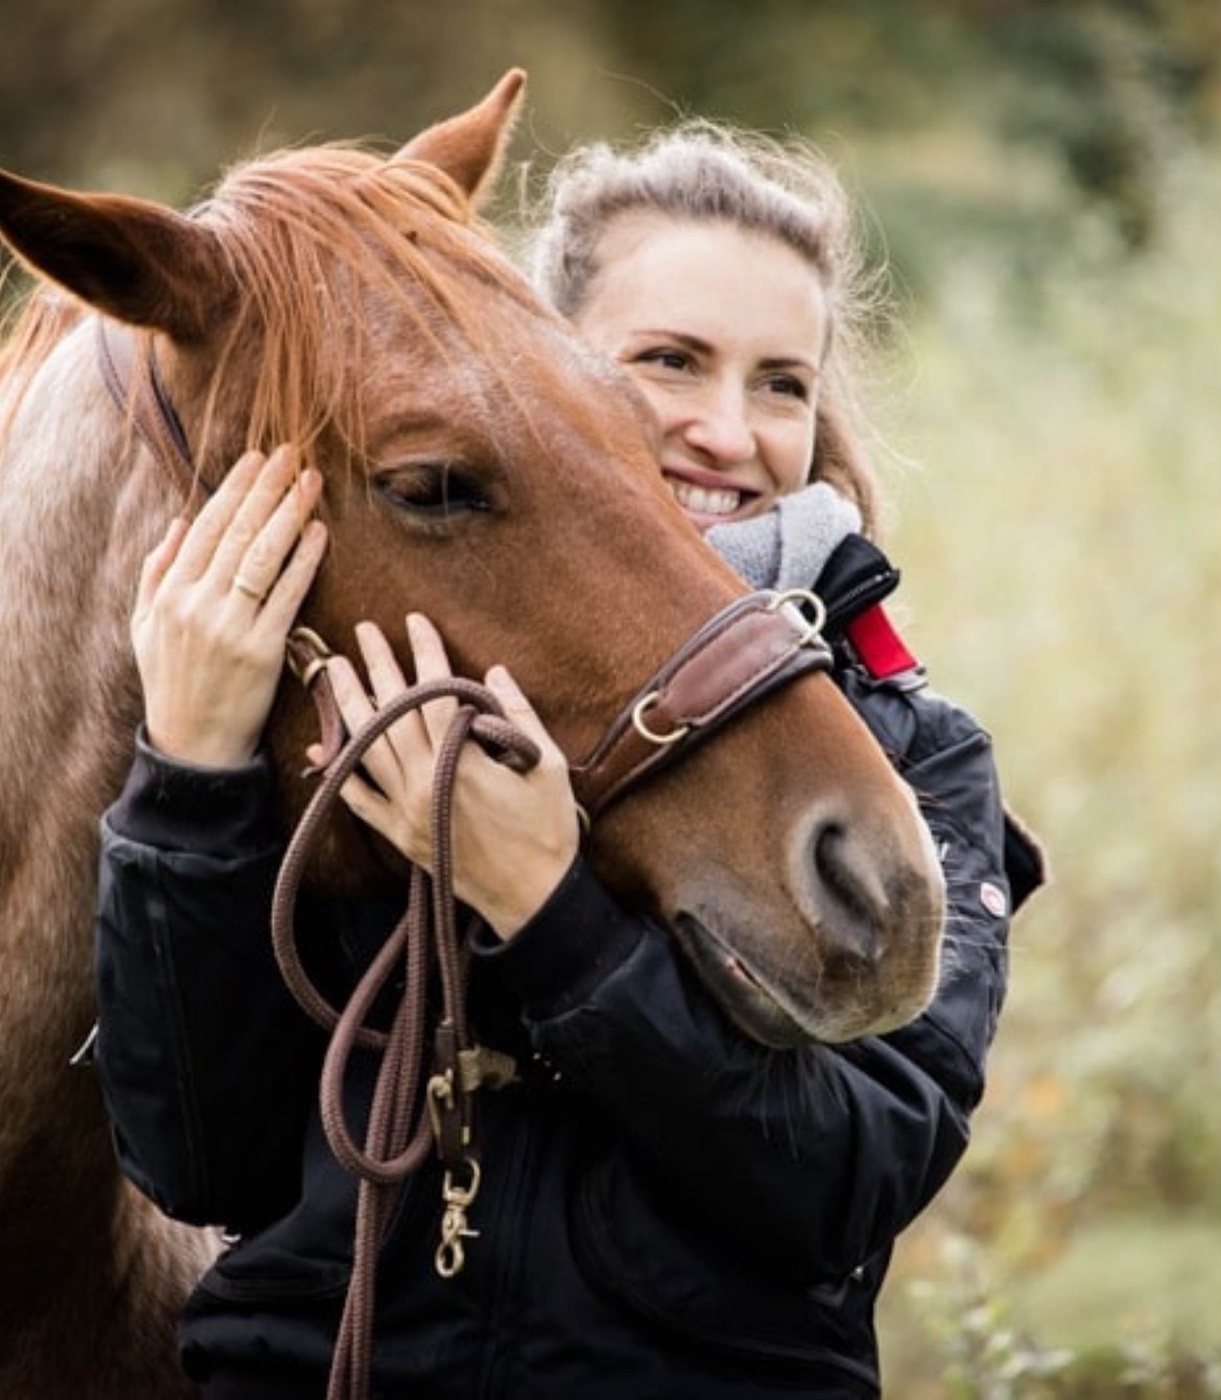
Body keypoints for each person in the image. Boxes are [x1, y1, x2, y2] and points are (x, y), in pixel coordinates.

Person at [94, 120, 1045, 1400]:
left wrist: (552, 917)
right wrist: (191, 772)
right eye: (667, 360)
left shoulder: (908, 754)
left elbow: (847, 1182)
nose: (726, 427)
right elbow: (204, 1166)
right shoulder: (379, 674)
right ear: (539, 366)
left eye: (781, 382)